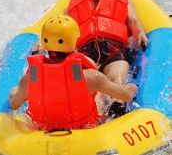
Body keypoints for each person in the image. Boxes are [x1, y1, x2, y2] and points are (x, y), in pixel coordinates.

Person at [9, 15, 137, 130]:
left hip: (43, 132)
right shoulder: (91, 77)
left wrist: (14, 92)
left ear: (44, 42)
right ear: (74, 41)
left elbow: (15, 104)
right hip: (84, 132)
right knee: (100, 96)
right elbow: (125, 95)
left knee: (16, 92)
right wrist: (133, 88)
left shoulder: (29, 79)